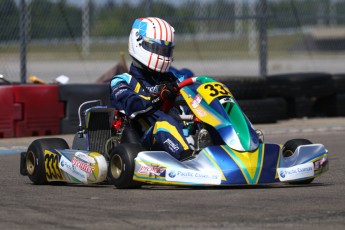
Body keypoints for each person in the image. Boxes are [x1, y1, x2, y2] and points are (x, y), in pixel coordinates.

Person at [110, 17, 193, 161]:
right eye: (157, 49)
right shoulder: (123, 81)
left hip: (181, 134)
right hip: (145, 142)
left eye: (166, 50)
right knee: (164, 124)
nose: (162, 54)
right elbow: (133, 106)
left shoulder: (172, 79)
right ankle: (189, 160)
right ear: (139, 43)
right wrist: (158, 98)